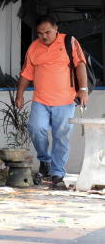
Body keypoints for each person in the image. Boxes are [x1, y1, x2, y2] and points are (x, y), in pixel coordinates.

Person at [15, 14, 88, 187]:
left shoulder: (69, 42)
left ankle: (57, 173)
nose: (44, 36)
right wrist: (20, 95)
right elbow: (26, 74)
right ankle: (45, 161)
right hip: (40, 100)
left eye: (47, 32)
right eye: (40, 33)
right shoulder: (34, 47)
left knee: (61, 137)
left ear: (56, 29)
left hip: (65, 100)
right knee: (35, 128)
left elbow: (80, 65)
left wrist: (83, 90)